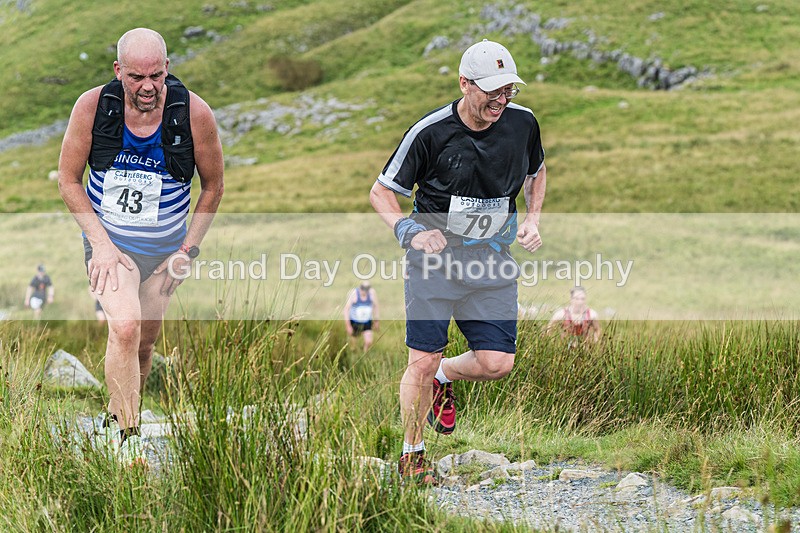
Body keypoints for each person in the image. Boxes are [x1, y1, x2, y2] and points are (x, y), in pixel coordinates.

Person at [370, 40, 547, 483]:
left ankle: (446, 376)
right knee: (421, 360)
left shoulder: (522, 124)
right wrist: (409, 231)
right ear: (465, 84)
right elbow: (381, 192)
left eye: (509, 91)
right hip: (434, 263)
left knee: (496, 364)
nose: (501, 101)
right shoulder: (430, 132)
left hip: (491, 261)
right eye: (493, 91)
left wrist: (533, 218)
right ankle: (413, 456)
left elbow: (537, 171)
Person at [58, 28, 224, 465]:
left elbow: (213, 187)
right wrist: (101, 245)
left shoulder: (195, 114)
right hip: (111, 245)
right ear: (118, 72)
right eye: (136, 77)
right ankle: (126, 435)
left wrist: (186, 252)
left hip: (165, 255)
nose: (148, 87)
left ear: (167, 68)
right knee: (126, 327)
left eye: (156, 75)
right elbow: (68, 180)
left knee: (145, 344)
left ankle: (120, 412)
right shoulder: (93, 108)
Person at [343, 281, 380, 352]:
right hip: (355, 321)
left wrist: (376, 321)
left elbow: (376, 306)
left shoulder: (372, 293)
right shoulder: (354, 294)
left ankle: (364, 354)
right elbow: (346, 309)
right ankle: (355, 355)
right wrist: (348, 325)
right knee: (353, 345)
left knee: (369, 341)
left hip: (367, 321)